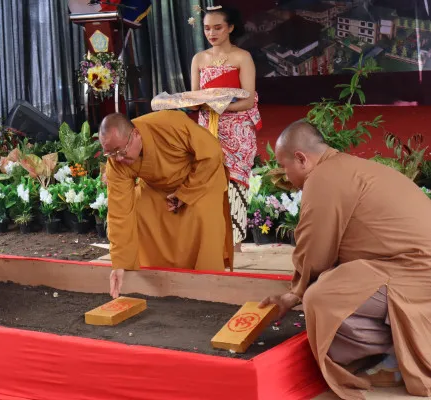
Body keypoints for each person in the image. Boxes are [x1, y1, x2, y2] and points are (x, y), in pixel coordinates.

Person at [259, 120, 431, 399]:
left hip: (416, 271)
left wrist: (295, 294)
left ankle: (396, 359)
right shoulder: (346, 167)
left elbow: (315, 250)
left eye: (284, 166)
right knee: (331, 281)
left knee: (321, 297)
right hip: (410, 265)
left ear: (301, 158)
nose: (284, 176)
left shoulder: (323, 178)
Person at [99, 111, 234, 298]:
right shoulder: (116, 162)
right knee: (140, 209)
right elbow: (119, 211)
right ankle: (157, 280)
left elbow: (211, 155)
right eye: (111, 154)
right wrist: (120, 263)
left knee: (202, 214)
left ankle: (207, 284)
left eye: (122, 151)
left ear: (136, 134)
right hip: (158, 188)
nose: (119, 159)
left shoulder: (170, 125)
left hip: (198, 180)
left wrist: (185, 193)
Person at [190, 4, 261, 252]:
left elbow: (249, 100)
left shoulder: (243, 57)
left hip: (238, 129)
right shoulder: (198, 59)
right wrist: (199, 104)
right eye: (207, 28)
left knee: (236, 183)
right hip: (208, 129)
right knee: (209, 182)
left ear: (230, 28)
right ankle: (211, 240)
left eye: (218, 27)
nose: (212, 33)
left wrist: (221, 107)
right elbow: (196, 100)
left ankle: (236, 244)